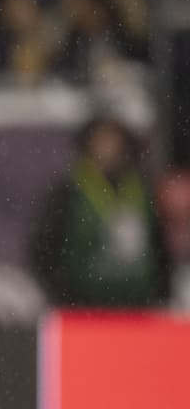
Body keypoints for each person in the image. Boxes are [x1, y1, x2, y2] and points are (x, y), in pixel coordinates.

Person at [30, 116, 171, 308]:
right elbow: (44, 250)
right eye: (102, 140)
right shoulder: (70, 192)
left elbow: (161, 246)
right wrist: (66, 296)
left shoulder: (141, 189)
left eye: (114, 140)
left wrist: (160, 292)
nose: (109, 148)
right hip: (85, 311)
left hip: (139, 310)